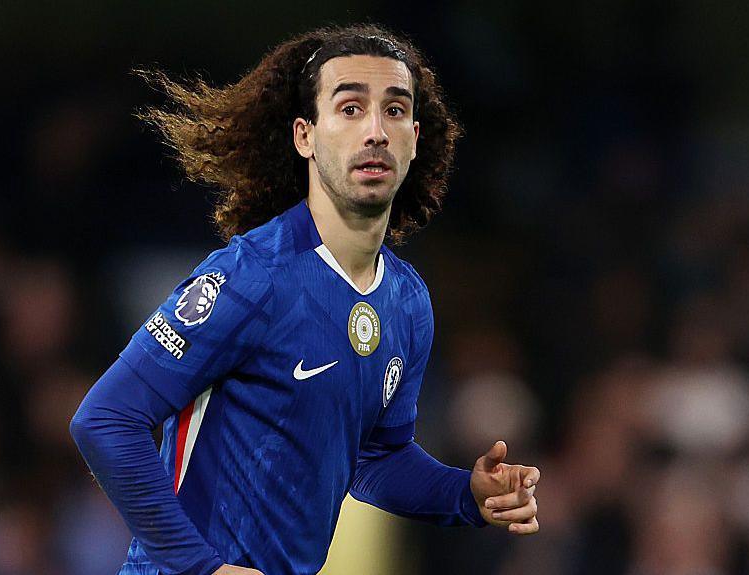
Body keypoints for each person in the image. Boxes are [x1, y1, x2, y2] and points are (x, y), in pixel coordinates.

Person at [70, 24, 540, 575]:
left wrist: (466, 495)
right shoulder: (254, 276)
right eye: (350, 109)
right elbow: (105, 419)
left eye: (393, 111)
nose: (375, 131)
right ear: (305, 136)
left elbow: (375, 456)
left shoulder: (407, 301)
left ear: (414, 139)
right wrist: (200, 567)